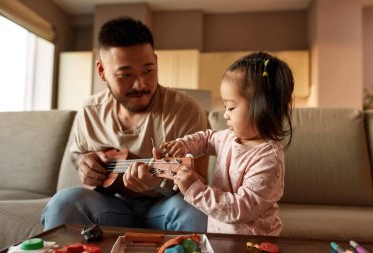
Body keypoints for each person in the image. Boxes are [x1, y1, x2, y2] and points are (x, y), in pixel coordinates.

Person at [41, 17, 209, 232]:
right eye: (125, 75)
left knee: (195, 209)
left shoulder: (186, 110)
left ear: (156, 62)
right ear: (102, 71)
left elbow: (199, 181)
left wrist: (157, 183)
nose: (140, 84)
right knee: (63, 201)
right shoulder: (90, 111)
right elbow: (79, 156)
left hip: (167, 206)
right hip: (111, 205)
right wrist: (85, 165)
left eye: (148, 71)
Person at [154, 52, 294, 235]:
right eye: (225, 106)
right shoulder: (228, 136)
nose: (225, 114)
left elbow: (240, 208)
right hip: (219, 236)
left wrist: (195, 190)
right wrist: (183, 145)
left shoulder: (268, 159)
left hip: (250, 244)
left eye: (232, 107)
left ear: (263, 109)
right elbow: (206, 139)